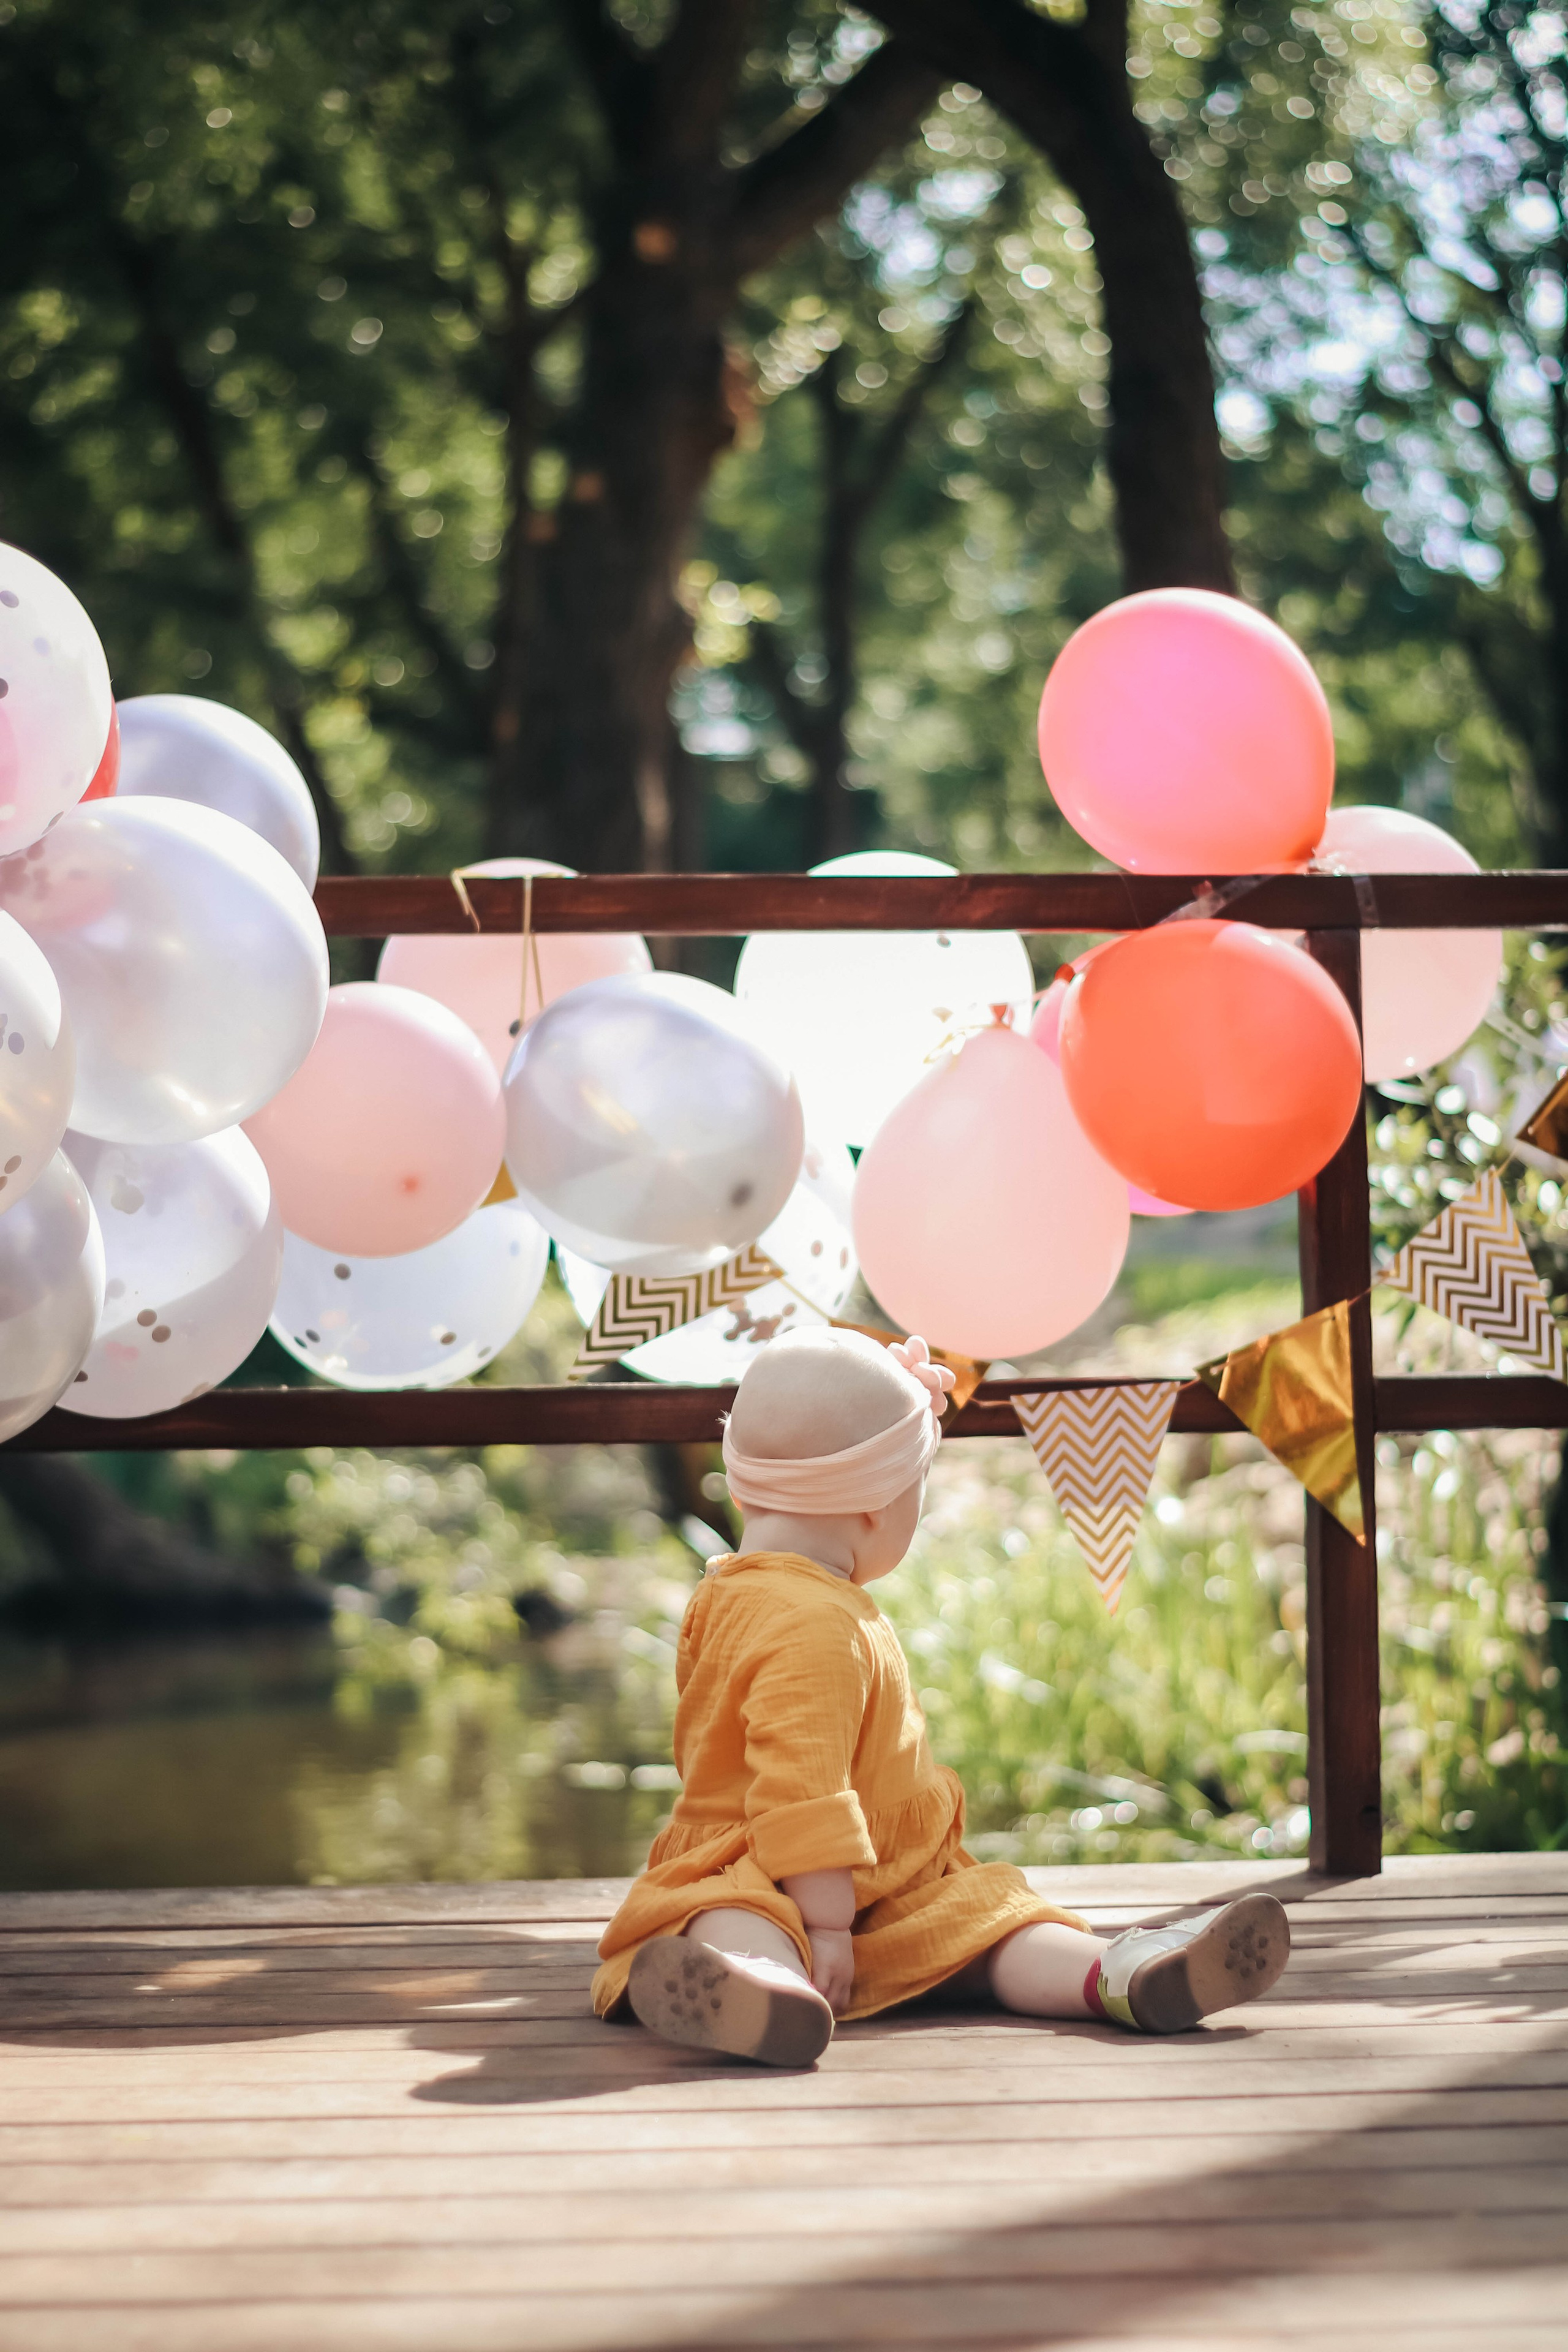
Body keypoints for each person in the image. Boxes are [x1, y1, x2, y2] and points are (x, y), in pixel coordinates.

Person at [592, 1326, 1289, 2067]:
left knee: (979, 1915)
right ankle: (776, 1981)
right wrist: (826, 1925)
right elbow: (802, 1790)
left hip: (884, 1885)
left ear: (738, 1483)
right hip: (789, 1871)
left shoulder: (724, 1594)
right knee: (761, 1912)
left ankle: (1121, 1970)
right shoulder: (815, 1624)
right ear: (873, 1507)